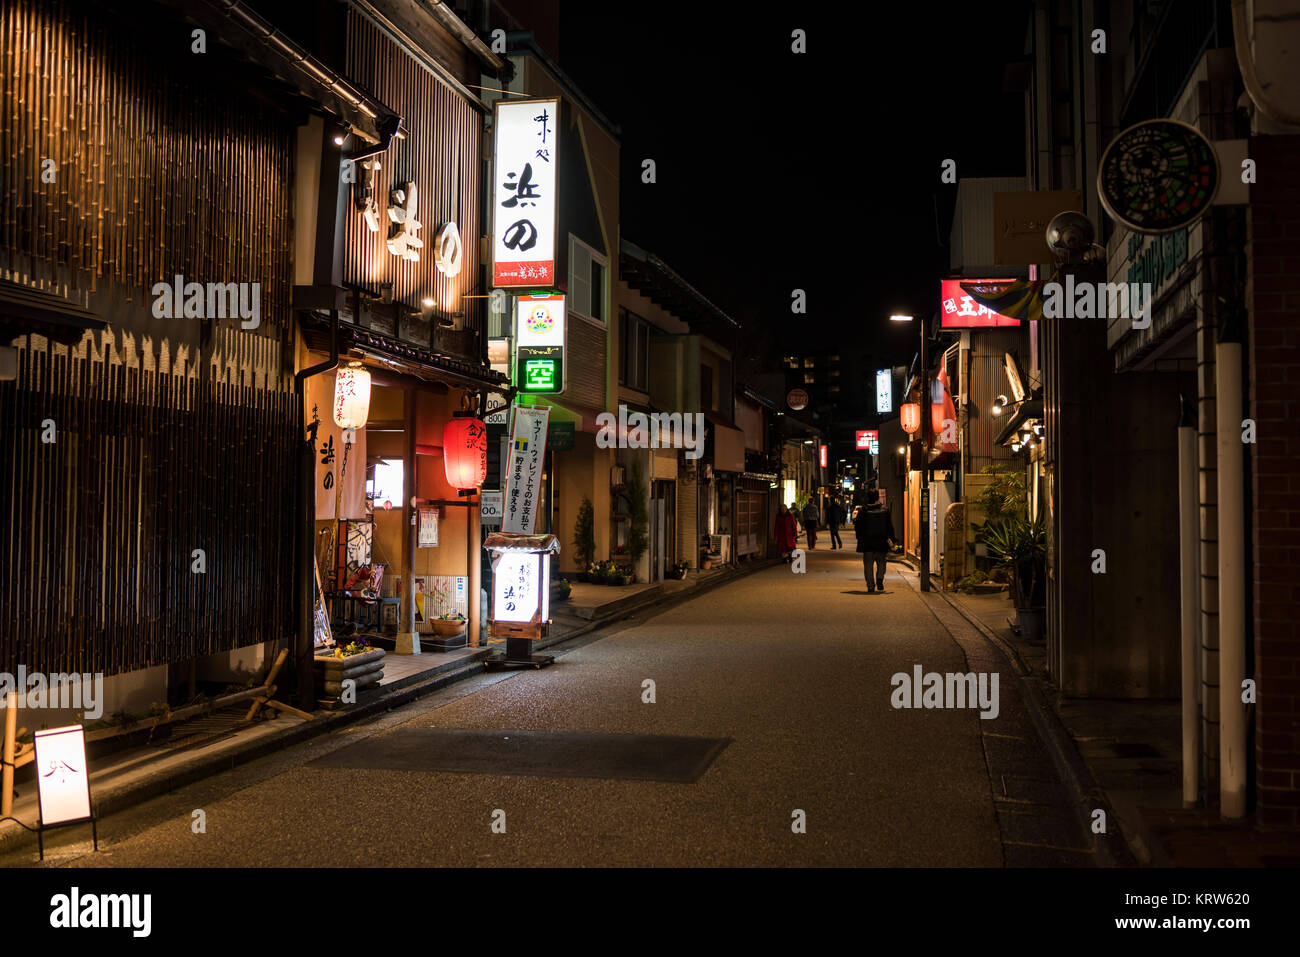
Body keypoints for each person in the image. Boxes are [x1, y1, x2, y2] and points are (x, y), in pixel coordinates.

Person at [854, 489, 896, 593]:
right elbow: (889, 526)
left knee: (868, 565)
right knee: (881, 562)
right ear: (878, 497)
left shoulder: (863, 511)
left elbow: (858, 527)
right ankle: (880, 578)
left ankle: (870, 586)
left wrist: (859, 538)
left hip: (867, 542)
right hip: (881, 541)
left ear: (868, 498)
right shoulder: (885, 510)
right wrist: (892, 539)